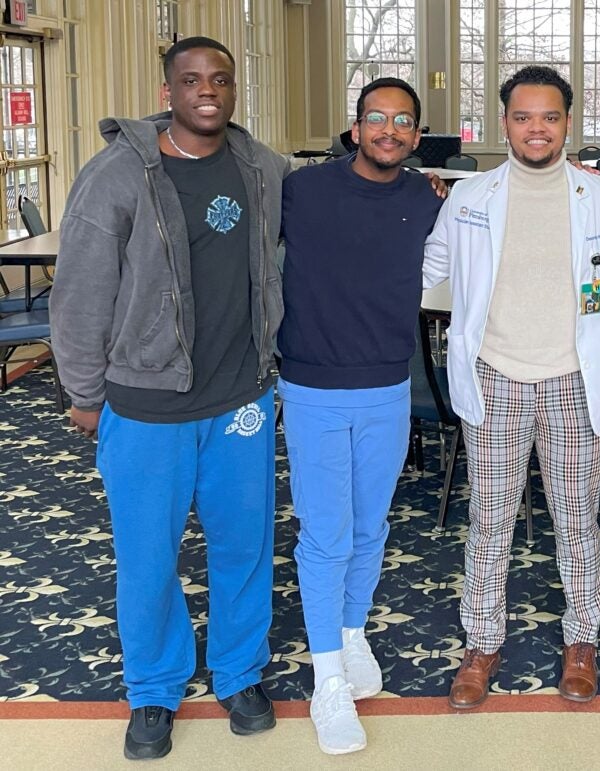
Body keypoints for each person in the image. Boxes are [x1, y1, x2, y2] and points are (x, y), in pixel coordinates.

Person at [50, 36, 288, 760]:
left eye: (219, 78)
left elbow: (331, 206)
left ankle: (240, 672)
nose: (206, 90)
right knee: (148, 558)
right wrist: (85, 393)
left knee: (245, 547)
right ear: (169, 89)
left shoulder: (261, 168)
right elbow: (79, 295)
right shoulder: (117, 175)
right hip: (145, 407)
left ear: (234, 87)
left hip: (241, 400)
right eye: (191, 80)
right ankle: (154, 688)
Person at [422, 65, 600, 709]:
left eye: (549, 117)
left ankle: (582, 641)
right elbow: (430, 267)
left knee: (577, 522)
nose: (535, 129)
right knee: (490, 522)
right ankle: (481, 644)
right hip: (496, 377)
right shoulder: (469, 198)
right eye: (522, 116)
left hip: (573, 380)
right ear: (503, 122)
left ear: (568, 122)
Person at [276, 77, 444, 755]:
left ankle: (350, 632)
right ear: (355, 127)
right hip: (312, 385)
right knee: (326, 535)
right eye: (377, 117)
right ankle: (326, 681)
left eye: (403, 121)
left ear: (416, 134)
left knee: (370, 525)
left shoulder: (426, 200)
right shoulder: (302, 190)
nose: (389, 129)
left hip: (387, 385)